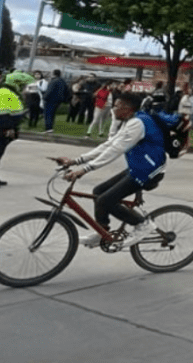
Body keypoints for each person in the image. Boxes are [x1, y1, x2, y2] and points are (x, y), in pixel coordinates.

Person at [54, 92, 163, 248]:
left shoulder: (138, 124)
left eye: (116, 106)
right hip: (138, 168)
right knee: (98, 191)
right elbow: (109, 145)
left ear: (127, 108)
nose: (113, 109)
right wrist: (76, 161)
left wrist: (84, 170)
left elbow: (115, 150)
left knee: (104, 200)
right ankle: (102, 231)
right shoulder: (130, 121)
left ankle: (142, 224)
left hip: (149, 172)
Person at [0, 72, 34, 189]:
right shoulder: (8, 93)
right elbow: (16, 112)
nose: (24, 88)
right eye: (23, 85)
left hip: (0, 125)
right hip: (3, 126)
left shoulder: (2, 91)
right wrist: (25, 109)